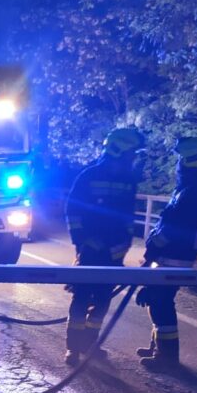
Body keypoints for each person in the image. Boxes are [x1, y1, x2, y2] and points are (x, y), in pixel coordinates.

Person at [63, 128, 144, 366]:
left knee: (102, 300)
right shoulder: (88, 176)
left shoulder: (128, 181)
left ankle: (90, 344)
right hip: (90, 249)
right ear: (118, 151)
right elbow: (72, 211)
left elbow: (128, 215)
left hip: (114, 250)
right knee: (81, 298)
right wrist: (83, 240)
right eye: (131, 154)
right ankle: (73, 348)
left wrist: (125, 243)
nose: (133, 159)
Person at [135, 137, 197, 371]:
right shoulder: (192, 188)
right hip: (172, 255)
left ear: (192, 160)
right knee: (157, 300)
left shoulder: (194, 192)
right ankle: (159, 348)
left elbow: (173, 227)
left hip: (174, 256)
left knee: (160, 302)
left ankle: (167, 357)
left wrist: (153, 249)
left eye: (182, 159)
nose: (178, 164)